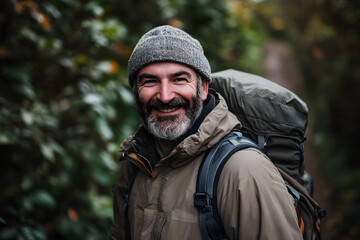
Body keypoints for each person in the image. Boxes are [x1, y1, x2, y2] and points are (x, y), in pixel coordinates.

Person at [109, 25, 302, 240]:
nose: (164, 96)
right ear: (136, 93)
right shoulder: (135, 163)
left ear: (203, 88)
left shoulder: (243, 170)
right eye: (150, 81)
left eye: (179, 79)